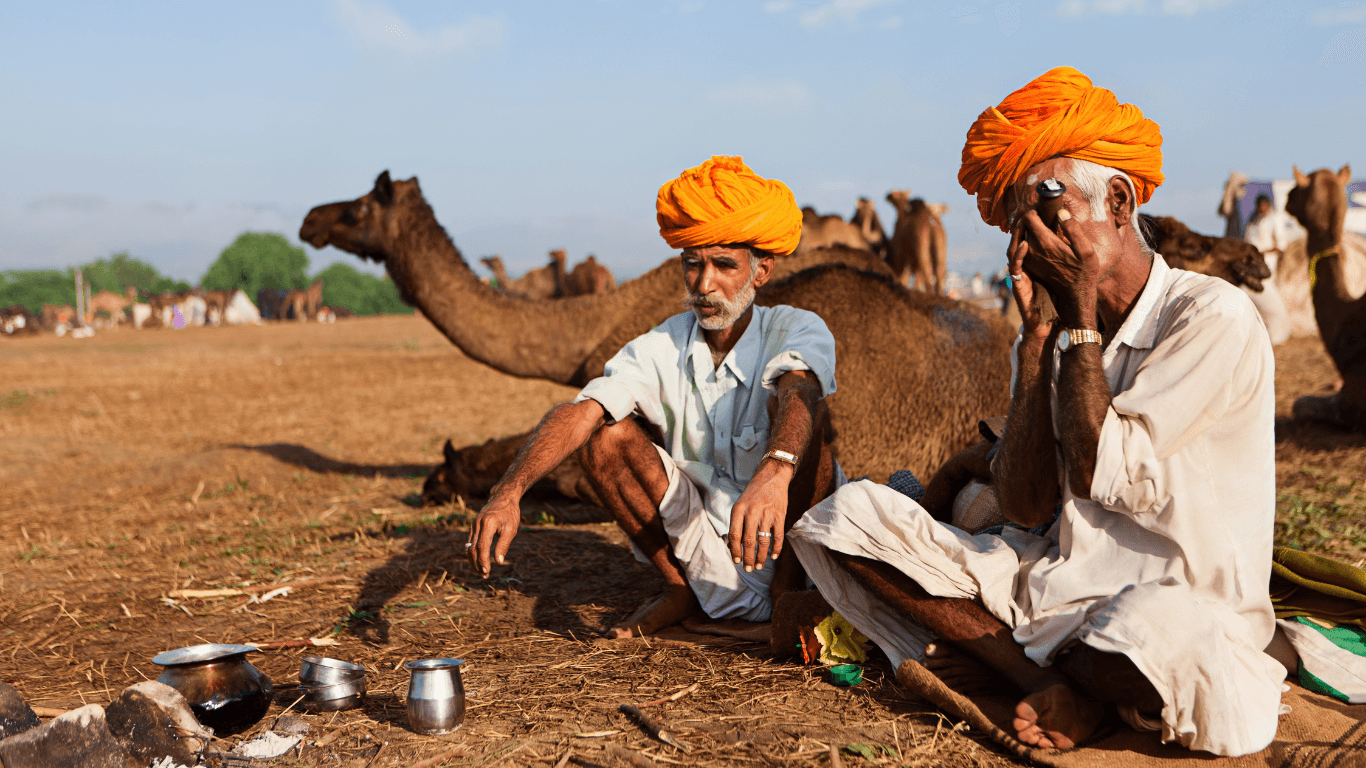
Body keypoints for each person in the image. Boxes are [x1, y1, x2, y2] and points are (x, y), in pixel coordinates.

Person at [787, 67, 1284, 756]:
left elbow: (1104, 470)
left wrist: (1076, 315)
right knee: (846, 520)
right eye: (1024, 224)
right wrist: (1034, 344)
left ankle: (1038, 672)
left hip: (1167, 600)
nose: (1036, 241)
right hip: (1050, 590)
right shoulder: (1061, 339)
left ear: (1117, 201)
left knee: (1151, 638)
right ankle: (1045, 682)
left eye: (1052, 212)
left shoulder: (1210, 317)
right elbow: (1023, 501)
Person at [467, 156, 843, 638]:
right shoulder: (661, 345)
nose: (705, 284)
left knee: (804, 413)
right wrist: (510, 492)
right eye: (693, 264)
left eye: (724, 265)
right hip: (700, 541)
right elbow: (581, 413)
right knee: (603, 435)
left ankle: (782, 601)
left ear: (761, 271)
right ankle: (678, 588)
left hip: (791, 545)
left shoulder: (795, 328)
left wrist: (775, 472)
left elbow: (800, 391)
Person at [1242, 193, 1292, 344]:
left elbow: (1281, 245)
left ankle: (1274, 334)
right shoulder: (1253, 219)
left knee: (1268, 299)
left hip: (1267, 266)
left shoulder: (1274, 219)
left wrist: (1261, 253)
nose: (1262, 208)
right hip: (1250, 265)